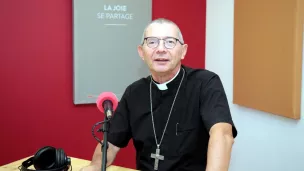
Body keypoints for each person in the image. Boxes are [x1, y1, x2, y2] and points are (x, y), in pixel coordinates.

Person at [81, 18, 237, 171]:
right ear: (141, 52)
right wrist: (95, 166)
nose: (161, 49)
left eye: (170, 42)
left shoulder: (206, 83)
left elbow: (222, 134)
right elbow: (111, 143)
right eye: (152, 42)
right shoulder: (133, 93)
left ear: (183, 51)